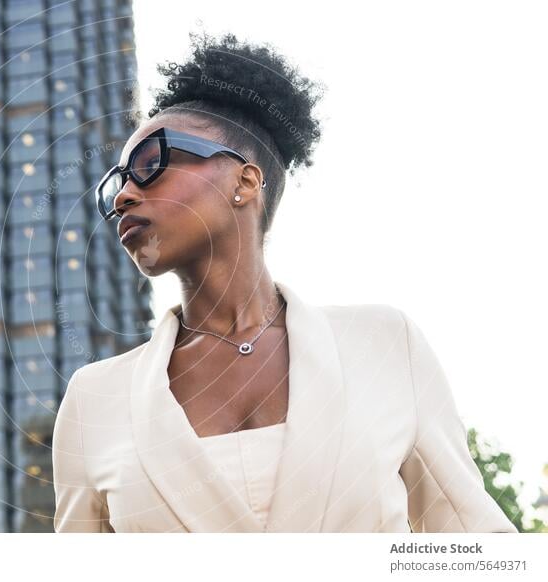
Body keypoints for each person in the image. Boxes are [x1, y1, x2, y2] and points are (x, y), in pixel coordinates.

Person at [51, 32, 517, 533]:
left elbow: (476, 543)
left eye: (148, 166)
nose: (123, 196)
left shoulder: (384, 345)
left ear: (244, 182)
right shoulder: (94, 400)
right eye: (117, 182)